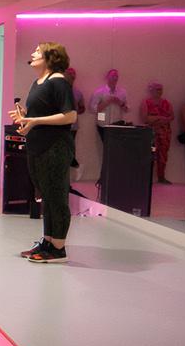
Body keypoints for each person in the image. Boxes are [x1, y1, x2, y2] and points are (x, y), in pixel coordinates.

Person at [9, 43, 78, 264]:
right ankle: (48, 242)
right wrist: (25, 117)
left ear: (50, 57)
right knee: (47, 197)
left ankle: (58, 248)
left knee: (56, 197)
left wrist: (34, 120)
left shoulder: (59, 81)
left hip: (55, 147)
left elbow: (70, 115)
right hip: (38, 146)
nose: (32, 53)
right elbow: (40, 114)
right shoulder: (38, 82)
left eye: (38, 51)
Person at [88, 68, 129, 168]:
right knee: (108, 148)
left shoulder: (122, 92)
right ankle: (107, 170)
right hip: (103, 125)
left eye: (116, 76)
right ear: (107, 77)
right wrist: (107, 102)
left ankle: (114, 169)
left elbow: (127, 109)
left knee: (116, 150)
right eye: (113, 75)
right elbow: (93, 109)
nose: (115, 78)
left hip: (117, 125)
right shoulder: (99, 92)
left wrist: (119, 102)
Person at [140, 81, 174, 184]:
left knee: (163, 155)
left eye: (161, 89)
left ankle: (161, 177)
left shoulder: (167, 103)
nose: (159, 91)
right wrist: (160, 118)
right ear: (152, 90)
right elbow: (145, 118)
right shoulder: (146, 102)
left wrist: (157, 119)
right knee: (150, 154)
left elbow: (171, 117)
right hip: (152, 134)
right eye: (157, 89)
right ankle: (147, 177)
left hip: (165, 134)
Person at [65, 67, 87, 176]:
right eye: (69, 73)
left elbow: (83, 108)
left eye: (73, 74)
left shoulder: (78, 93)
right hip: (60, 125)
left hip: (73, 126)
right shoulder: (59, 90)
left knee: (69, 150)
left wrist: (76, 110)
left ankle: (74, 168)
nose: (71, 76)